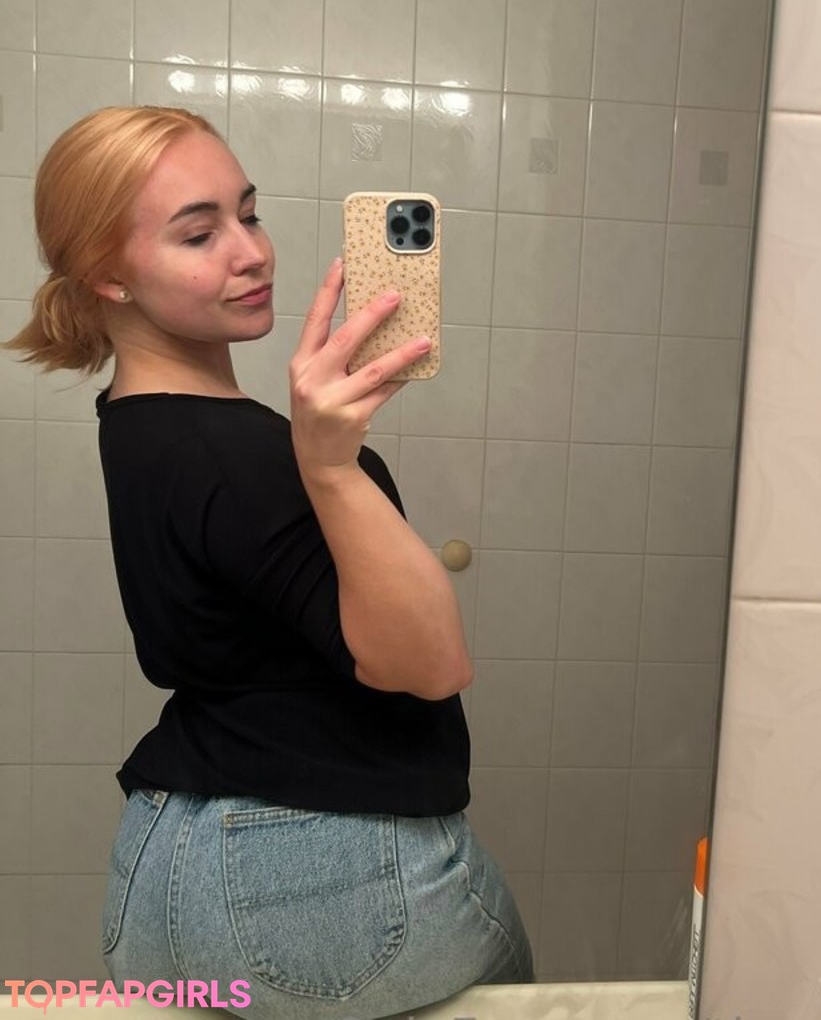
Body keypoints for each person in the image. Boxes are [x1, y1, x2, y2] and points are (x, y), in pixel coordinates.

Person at [3, 105, 533, 1017]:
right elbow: (429, 664)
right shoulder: (244, 454)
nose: (251, 252)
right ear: (109, 276)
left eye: (248, 213)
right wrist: (331, 465)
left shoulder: (137, 423)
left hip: (166, 872)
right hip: (319, 882)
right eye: (199, 234)